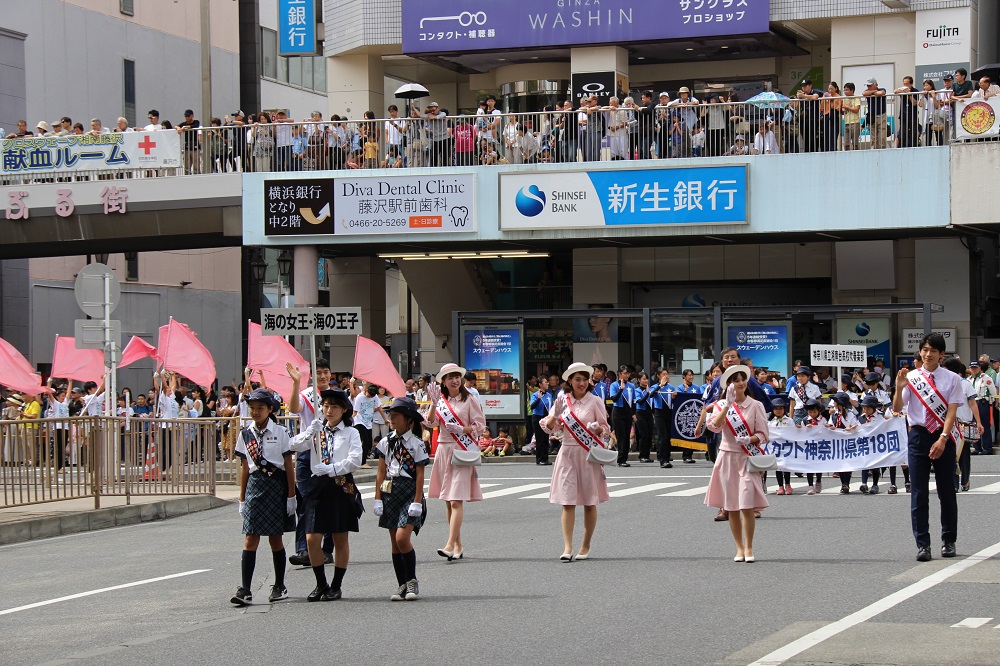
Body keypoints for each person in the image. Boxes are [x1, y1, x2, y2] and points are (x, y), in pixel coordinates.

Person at [892, 333, 964, 562]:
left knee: (947, 491)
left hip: (943, 435)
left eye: (933, 350)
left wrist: (943, 438)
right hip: (919, 436)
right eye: (925, 349)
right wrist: (898, 387)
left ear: (942, 354)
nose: (928, 354)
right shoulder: (911, 377)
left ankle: (949, 540)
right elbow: (897, 407)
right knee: (919, 493)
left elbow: (952, 411)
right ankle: (923, 544)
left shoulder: (952, 378)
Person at [288, 387, 363, 601]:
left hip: (339, 485)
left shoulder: (351, 432)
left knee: (340, 538)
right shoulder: (317, 430)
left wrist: (333, 468)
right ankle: (320, 583)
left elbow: (355, 459)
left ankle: (336, 585)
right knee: (312, 537)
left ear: (344, 410)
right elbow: (292, 445)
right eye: (326, 406)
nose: (329, 410)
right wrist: (309, 432)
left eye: (334, 407)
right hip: (318, 487)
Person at [231, 389, 296, 606]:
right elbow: (245, 468)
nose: (255, 412)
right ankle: (245, 589)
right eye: (252, 408)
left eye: (260, 408)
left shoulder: (281, 432)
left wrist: (291, 496)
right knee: (250, 537)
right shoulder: (245, 434)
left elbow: (288, 465)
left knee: (275, 538)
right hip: (255, 487)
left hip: (276, 486)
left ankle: (279, 585)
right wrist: (242, 498)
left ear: (270, 409)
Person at [542, 362, 611, 561]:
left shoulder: (595, 400)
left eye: (584, 379)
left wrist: (597, 428)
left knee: (589, 502)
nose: (581, 383)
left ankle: (586, 544)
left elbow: (605, 429)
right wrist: (555, 415)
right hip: (567, 454)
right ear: (569, 381)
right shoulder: (562, 399)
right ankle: (567, 547)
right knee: (567, 501)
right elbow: (549, 428)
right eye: (577, 379)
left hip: (588, 454)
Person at [704, 365, 770, 562]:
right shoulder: (719, 405)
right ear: (729, 385)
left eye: (743, 379)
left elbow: (763, 434)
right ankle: (739, 548)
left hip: (746, 458)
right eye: (736, 380)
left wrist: (750, 440)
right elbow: (714, 427)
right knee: (731, 505)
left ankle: (749, 547)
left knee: (747, 504)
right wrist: (726, 406)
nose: (740, 383)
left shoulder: (756, 405)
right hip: (727, 458)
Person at [425, 363, 486, 561]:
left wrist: (463, 429)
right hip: (444, 449)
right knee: (448, 501)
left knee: (456, 500)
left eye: (456, 376)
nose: (454, 380)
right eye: (449, 377)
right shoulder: (440, 400)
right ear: (443, 381)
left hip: (462, 450)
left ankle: (449, 544)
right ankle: (458, 544)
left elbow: (480, 425)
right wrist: (433, 404)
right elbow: (430, 423)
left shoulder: (470, 399)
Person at [373, 397, 429, 601]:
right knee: (394, 543)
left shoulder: (417, 444)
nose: (391, 419)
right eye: (390, 415)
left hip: (409, 492)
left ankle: (412, 580)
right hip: (390, 491)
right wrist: (378, 497)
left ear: (409, 420)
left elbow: (420, 474)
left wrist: (416, 501)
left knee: (402, 538)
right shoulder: (385, 442)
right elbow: (381, 471)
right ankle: (401, 585)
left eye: (396, 415)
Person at [286, 359, 335, 567]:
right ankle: (303, 549)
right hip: (308, 452)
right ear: (313, 375)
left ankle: (327, 549)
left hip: (331, 454)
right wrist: (296, 383)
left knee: (331, 501)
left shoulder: (336, 396)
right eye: (319, 373)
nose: (322, 376)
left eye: (326, 372)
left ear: (330, 374)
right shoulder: (307, 394)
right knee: (306, 501)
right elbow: (294, 407)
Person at [647, 367, 675, 468]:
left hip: (669, 412)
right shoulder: (654, 386)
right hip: (659, 413)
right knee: (662, 436)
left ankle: (667, 457)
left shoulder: (671, 387)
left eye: (667, 374)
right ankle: (663, 459)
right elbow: (651, 395)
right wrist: (660, 385)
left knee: (668, 437)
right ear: (658, 376)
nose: (666, 376)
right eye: (663, 374)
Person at [768, 397, 796, 495]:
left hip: (786, 447)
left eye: (780, 408)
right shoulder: (770, 422)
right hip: (775, 448)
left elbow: (794, 432)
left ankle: (788, 485)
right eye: (776, 409)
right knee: (778, 467)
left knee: (786, 466)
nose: (778, 411)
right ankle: (780, 486)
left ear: (784, 409)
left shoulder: (789, 421)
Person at [529, 376, 554, 465]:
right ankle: (539, 459)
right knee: (539, 439)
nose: (547, 384)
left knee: (546, 439)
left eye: (547, 382)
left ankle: (545, 458)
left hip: (546, 418)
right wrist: (539, 398)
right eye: (545, 382)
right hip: (537, 418)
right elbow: (532, 406)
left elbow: (552, 408)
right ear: (540, 384)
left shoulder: (549, 395)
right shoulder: (535, 395)